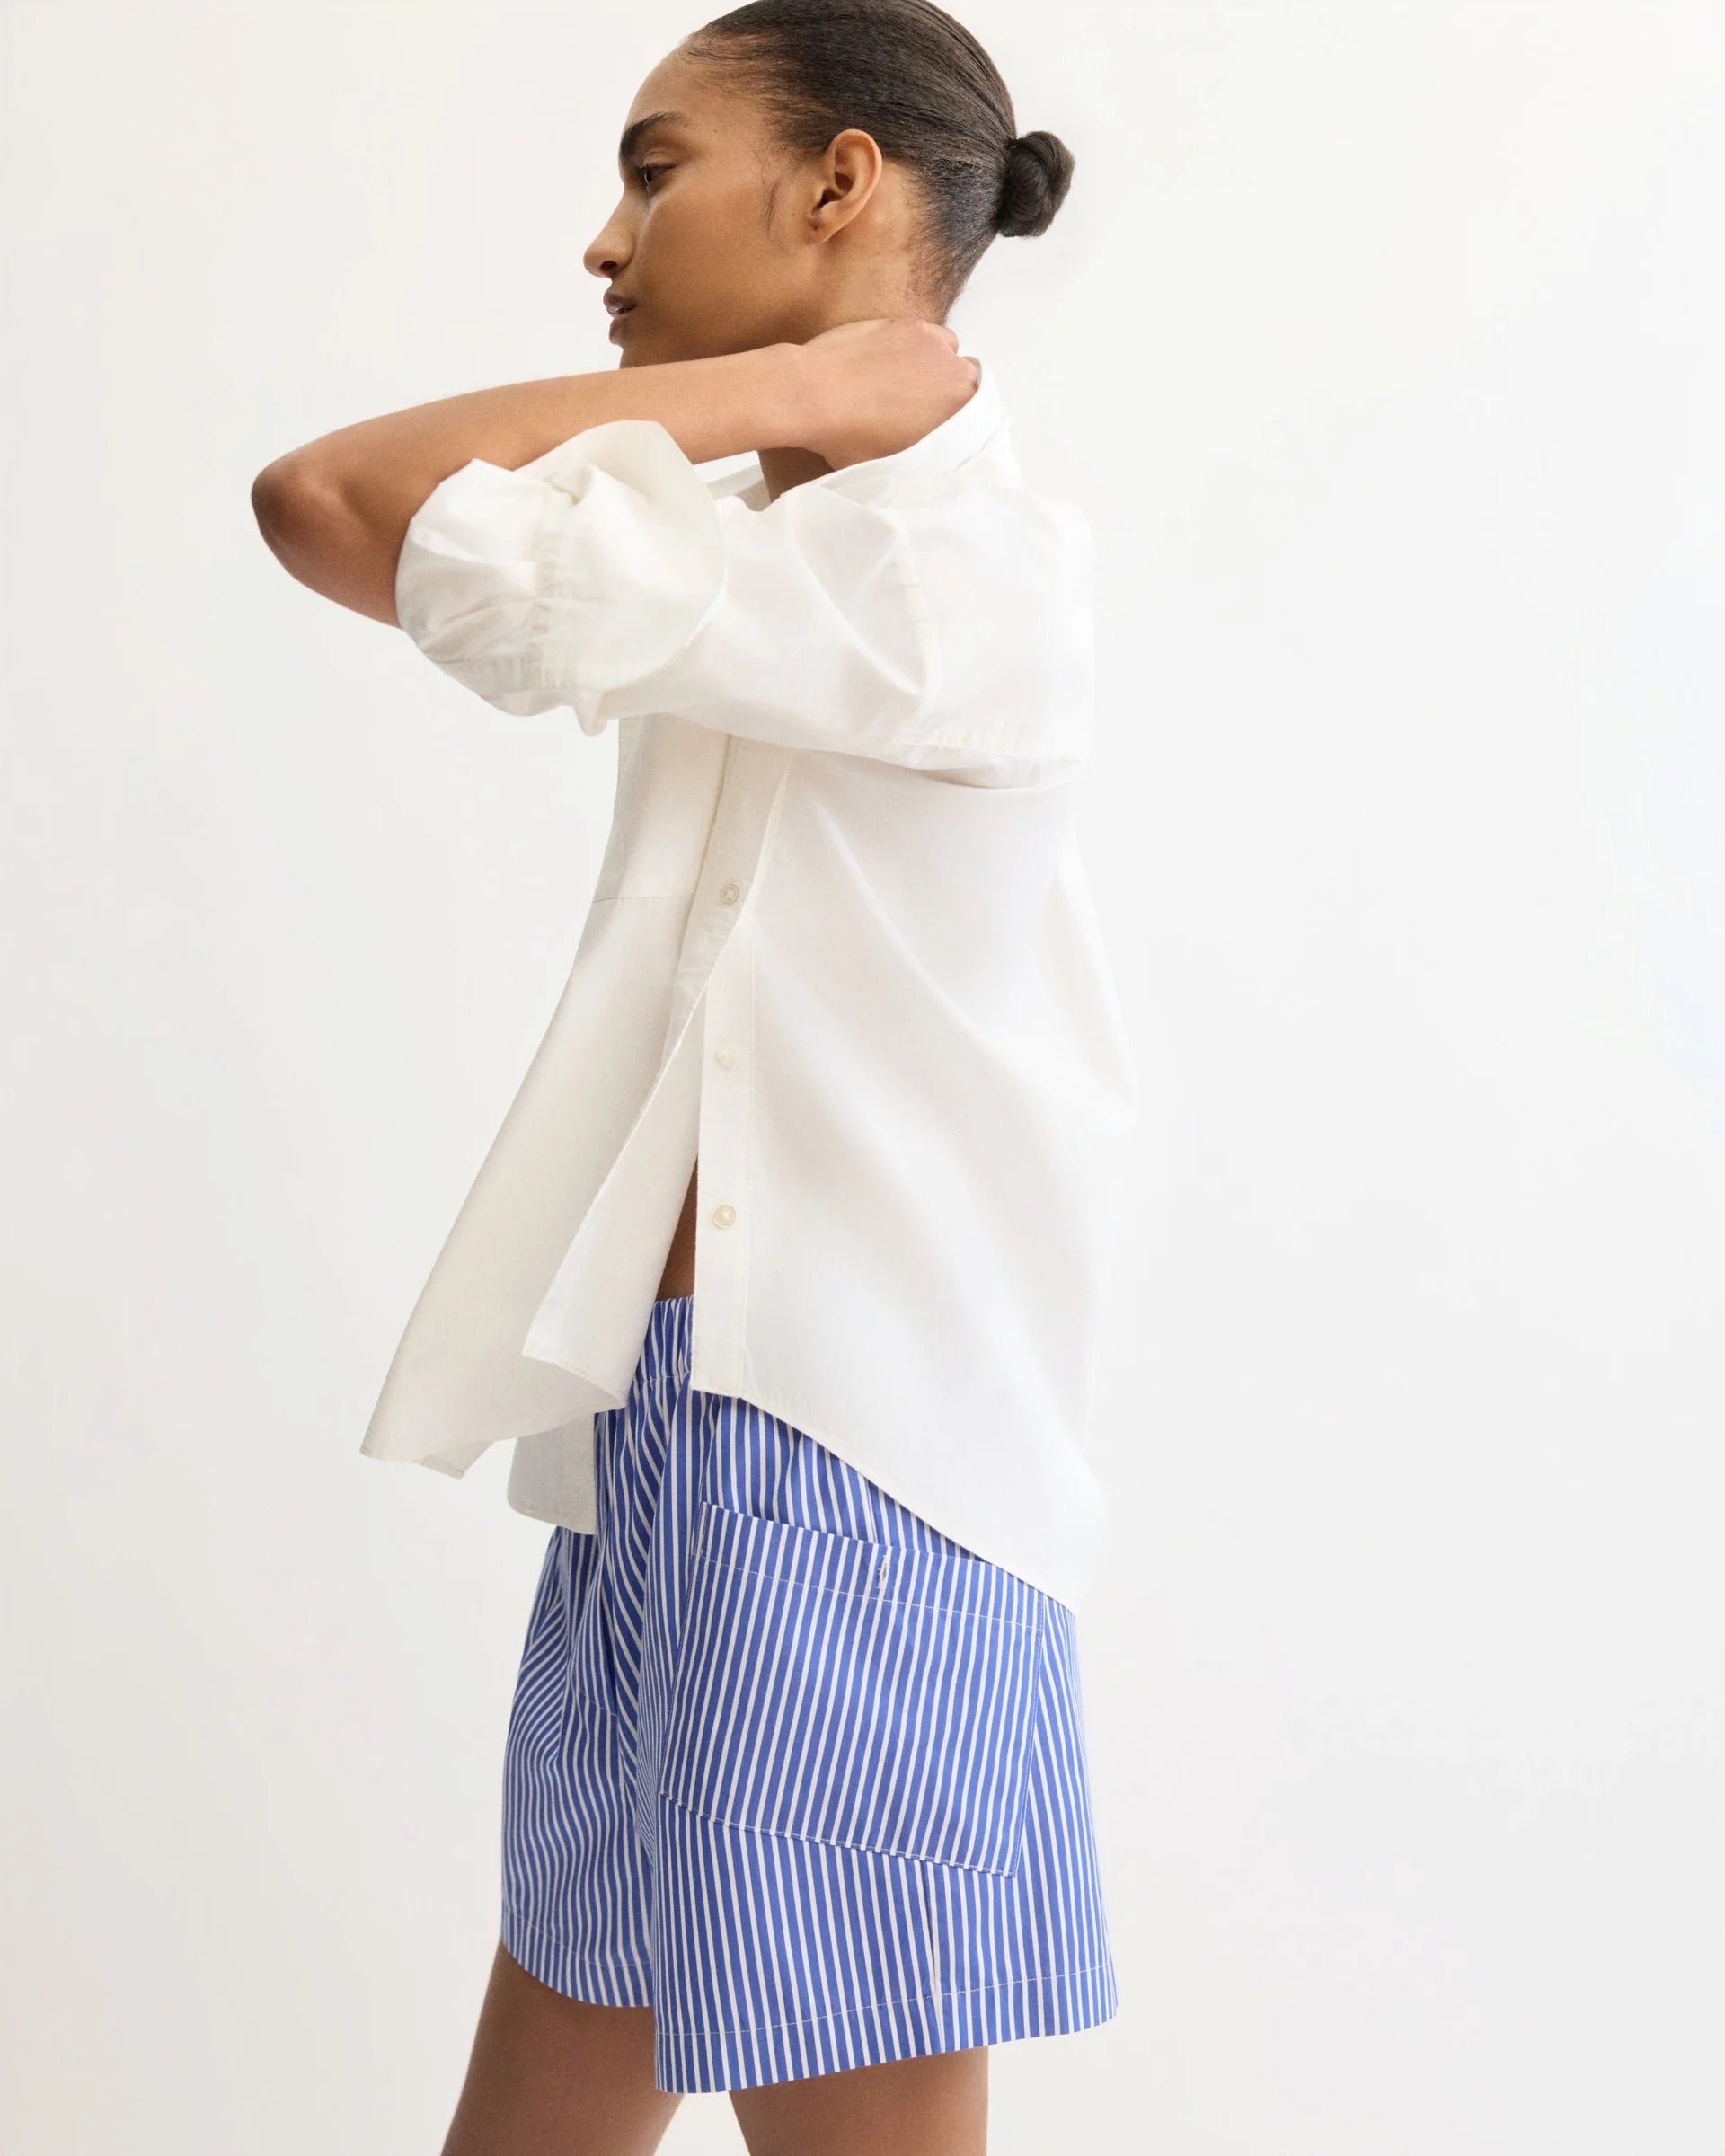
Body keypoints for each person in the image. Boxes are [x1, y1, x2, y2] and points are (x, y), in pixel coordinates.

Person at [252, 4, 1138, 2149]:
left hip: (845, 1463)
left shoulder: (952, 578)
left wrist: (801, 390)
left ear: (839, 185)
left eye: (655, 171)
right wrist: (795, 396)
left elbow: (348, 495)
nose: (604, 239)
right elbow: (319, 504)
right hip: (666, 1435)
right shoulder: (738, 548)